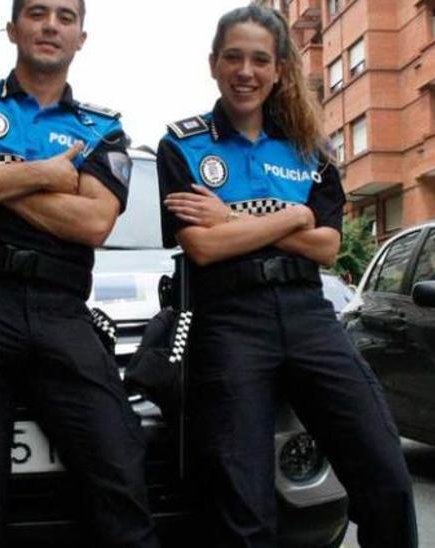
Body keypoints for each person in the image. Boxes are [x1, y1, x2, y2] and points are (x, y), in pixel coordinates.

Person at [157, 5, 418, 547]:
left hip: (307, 315)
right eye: (233, 58)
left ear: (278, 70)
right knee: (244, 506)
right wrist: (290, 217)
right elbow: (203, 247)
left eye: (259, 60)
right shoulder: (182, 145)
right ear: (213, 64)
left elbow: (327, 247)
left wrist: (233, 216)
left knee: (385, 475)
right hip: (230, 322)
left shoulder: (310, 150)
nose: (245, 71)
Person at [0, 0, 158, 546]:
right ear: (13, 28)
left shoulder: (100, 126)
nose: (51, 25)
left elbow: (93, 220)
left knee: (118, 471)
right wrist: (49, 175)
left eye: (65, 17)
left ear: (81, 38)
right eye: (38, 13)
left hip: (61, 309)